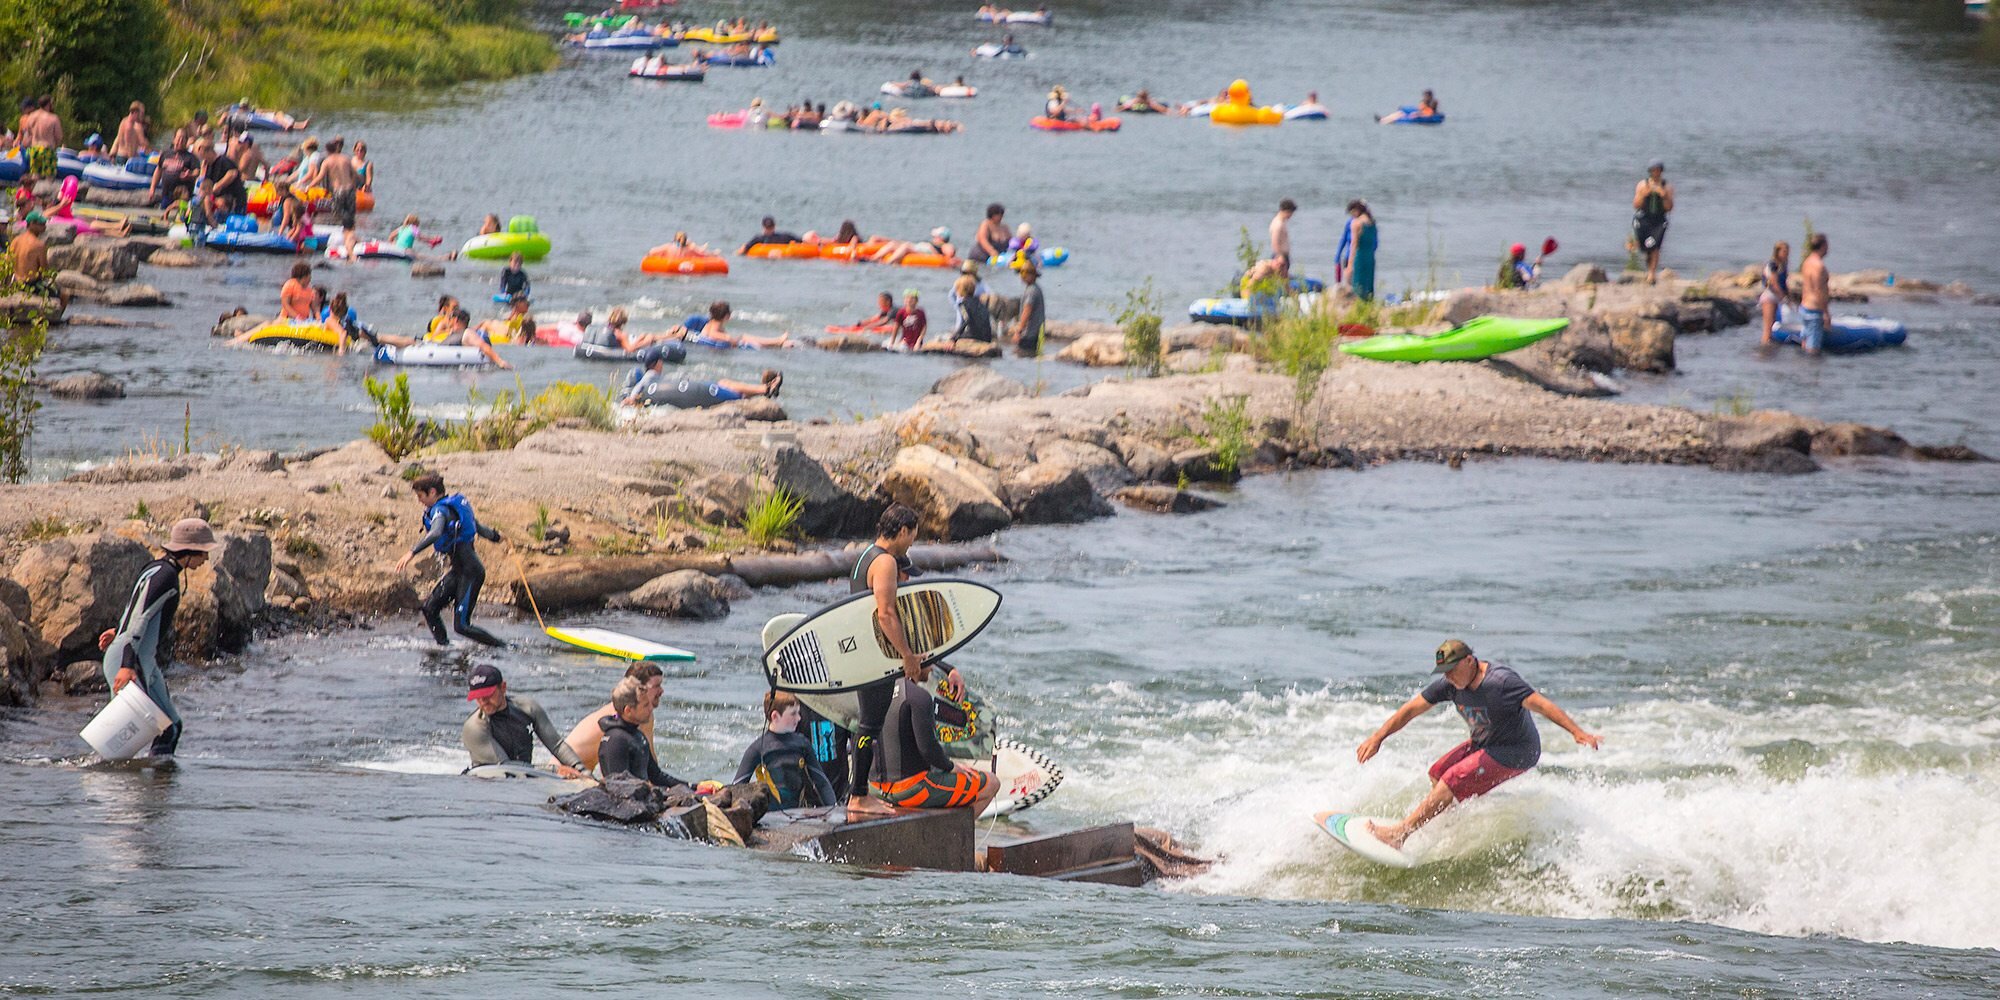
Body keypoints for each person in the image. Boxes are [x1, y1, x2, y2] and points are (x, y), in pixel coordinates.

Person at [1355, 640, 1601, 850]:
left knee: (1452, 778)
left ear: (1470, 661)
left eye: (1453, 669)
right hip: (1486, 743)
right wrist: (1378, 737)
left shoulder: (1501, 682)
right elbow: (1411, 710)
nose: (1448, 676)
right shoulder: (1451, 685)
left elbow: (1542, 704)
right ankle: (1447, 821)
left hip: (1518, 750)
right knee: (1438, 772)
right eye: (1444, 672)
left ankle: (1399, 835)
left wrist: (1577, 732)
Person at [841, 505, 972, 816]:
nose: (912, 542)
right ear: (902, 531)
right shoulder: (885, 562)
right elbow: (886, 614)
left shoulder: (864, 557)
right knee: (869, 727)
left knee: (867, 726)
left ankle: (858, 792)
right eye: (912, 535)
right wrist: (908, 657)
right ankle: (858, 795)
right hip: (877, 656)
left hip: (866, 652)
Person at [95, 518, 221, 758]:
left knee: (170, 727)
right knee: (125, 741)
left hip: (137, 655)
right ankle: (107, 783)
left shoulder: (156, 568)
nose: (205, 559)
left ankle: (155, 790)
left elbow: (137, 607)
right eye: (203, 553)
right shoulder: (166, 577)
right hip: (132, 658)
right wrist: (126, 664)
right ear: (190, 550)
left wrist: (118, 630)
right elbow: (141, 617)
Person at [870, 653, 998, 814]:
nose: (932, 668)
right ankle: (953, 835)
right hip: (911, 789)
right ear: (916, 664)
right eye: (928, 661)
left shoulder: (874, 691)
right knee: (992, 783)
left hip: (875, 787)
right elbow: (928, 749)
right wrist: (951, 767)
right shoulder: (919, 697)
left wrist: (950, 670)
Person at [394, 473, 508, 647]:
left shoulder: (440, 511)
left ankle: (505, 647)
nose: (419, 501)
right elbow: (477, 527)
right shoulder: (452, 509)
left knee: (462, 626)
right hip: (459, 571)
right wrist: (496, 537)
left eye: (420, 496)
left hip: (471, 572)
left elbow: (436, 532)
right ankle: (444, 648)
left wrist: (412, 552)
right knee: (429, 609)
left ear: (432, 492)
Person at [462, 665, 586, 777]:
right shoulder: (474, 727)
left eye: (488, 695)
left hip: (524, 778)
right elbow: (506, 768)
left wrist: (581, 770)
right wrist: (554, 770)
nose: (483, 702)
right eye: (477, 697)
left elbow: (557, 745)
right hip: (492, 782)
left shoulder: (528, 708)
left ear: (503, 687)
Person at [733, 690, 838, 809]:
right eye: (793, 714)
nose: (799, 718)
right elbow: (737, 787)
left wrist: (834, 808)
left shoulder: (803, 744)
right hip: (770, 818)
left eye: (799, 713)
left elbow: (821, 782)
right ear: (775, 716)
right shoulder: (758, 749)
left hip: (797, 814)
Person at [564, 663, 666, 773]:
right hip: (565, 772)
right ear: (638, 688)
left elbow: (650, 766)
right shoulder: (620, 719)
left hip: (584, 771)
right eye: (656, 686)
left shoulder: (643, 715)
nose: (661, 691)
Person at [598, 677, 689, 787]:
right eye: (645, 705)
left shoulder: (637, 735)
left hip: (643, 797)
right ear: (628, 710)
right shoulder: (615, 740)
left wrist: (692, 786)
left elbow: (657, 776)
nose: (651, 708)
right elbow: (619, 788)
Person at [8, 212, 66, 311]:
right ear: (31, 224)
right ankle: (57, 319)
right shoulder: (39, 245)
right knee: (65, 295)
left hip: (16, 283)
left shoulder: (15, 241)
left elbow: (8, 263)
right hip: (31, 285)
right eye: (41, 224)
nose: (44, 226)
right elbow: (44, 271)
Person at [1631, 161, 1674, 285]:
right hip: (1644, 217)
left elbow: (1669, 207)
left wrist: (1664, 196)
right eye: (1653, 170)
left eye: (1658, 170)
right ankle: (1648, 263)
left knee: (1655, 246)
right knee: (1644, 246)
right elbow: (1636, 205)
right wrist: (1644, 195)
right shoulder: (1642, 185)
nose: (1656, 173)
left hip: (1658, 219)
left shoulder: (1667, 186)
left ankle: (1651, 273)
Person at [690, 301, 791, 348]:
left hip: (718, 348)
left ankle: (777, 342)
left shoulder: (710, 323)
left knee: (743, 337)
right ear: (726, 316)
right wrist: (729, 338)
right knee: (744, 337)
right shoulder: (713, 328)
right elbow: (712, 335)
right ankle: (777, 341)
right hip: (719, 348)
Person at [1796, 233, 1830, 356]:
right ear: (1823, 246)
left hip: (1804, 307)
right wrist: (1825, 313)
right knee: (1813, 350)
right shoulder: (1819, 266)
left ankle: (1803, 371)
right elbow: (1818, 290)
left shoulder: (1807, 262)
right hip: (1814, 310)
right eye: (1827, 245)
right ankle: (1811, 373)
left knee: (1805, 342)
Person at [149, 134, 201, 211]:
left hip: (182, 196)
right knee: (164, 214)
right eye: (178, 138)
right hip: (166, 194)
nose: (180, 141)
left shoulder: (191, 157)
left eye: (183, 139)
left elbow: (197, 171)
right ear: (174, 139)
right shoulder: (166, 154)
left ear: (186, 142)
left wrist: (190, 174)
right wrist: (152, 188)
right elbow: (158, 170)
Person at [1337, 200, 1376, 301]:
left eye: (1352, 213)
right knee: (1368, 283)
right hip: (1370, 257)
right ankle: (1369, 303)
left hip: (1359, 257)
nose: (1352, 216)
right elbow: (1375, 243)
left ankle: (1358, 305)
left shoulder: (1356, 223)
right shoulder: (1372, 222)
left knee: (1358, 283)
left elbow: (1354, 245)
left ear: (1356, 210)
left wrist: (1349, 265)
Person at [1758, 240, 1792, 346]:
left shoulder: (1783, 265)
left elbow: (1784, 284)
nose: (1786, 254)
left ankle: (1770, 348)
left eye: (1787, 251)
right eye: (1784, 251)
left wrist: (1788, 296)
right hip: (1769, 297)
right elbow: (1774, 283)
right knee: (1768, 327)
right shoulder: (1772, 265)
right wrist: (1783, 298)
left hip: (1776, 297)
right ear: (1777, 252)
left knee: (1773, 325)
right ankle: (1765, 348)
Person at [20, 96, 61, 183]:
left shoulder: (31, 116)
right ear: (49, 104)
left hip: (35, 149)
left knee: (35, 177)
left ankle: (32, 194)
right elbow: (59, 136)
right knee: (50, 177)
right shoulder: (53, 118)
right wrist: (55, 145)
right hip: (47, 149)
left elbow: (28, 133)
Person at [1008, 263, 1046, 356]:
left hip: (1030, 334)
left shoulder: (1031, 291)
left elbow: (1027, 311)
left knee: (1021, 356)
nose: (1022, 277)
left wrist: (1018, 332)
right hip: (1037, 333)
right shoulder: (1035, 288)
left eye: (1024, 274)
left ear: (1032, 275)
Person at [869, 226, 953, 265]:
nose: (933, 237)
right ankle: (873, 258)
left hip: (926, 252)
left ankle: (888, 262)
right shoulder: (933, 243)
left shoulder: (944, 245)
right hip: (918, 247)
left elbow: (950, 252)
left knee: (906, 246)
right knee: (893, 244)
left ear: (941, 237)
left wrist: (935, 253)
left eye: (935, 236)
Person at [949, 273, 994, 342]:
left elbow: (965, 321)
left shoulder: (963, 304)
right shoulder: (980, 302)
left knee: (950, 336)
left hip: (975, 336)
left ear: (960, 290)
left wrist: (953, 338)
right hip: (987, 337)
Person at [1270, 198, 1296, 276]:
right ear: (1286, 211)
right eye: (1291, 213)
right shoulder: (1278, 224)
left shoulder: (1281, 222)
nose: (1291, 216)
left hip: (1282, 255)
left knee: (1283, 278)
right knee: (1281, 279)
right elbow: (1275, 241)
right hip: (1280, 256)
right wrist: (1280, 256)